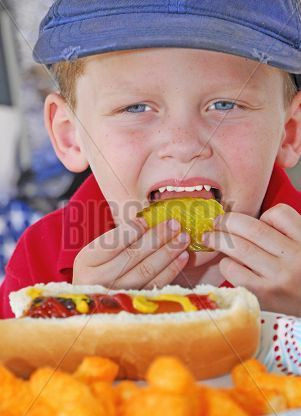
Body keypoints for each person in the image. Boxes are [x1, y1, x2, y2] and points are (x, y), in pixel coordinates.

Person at [1, 0, 301, 319]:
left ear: (289, 131)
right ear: (70, 136)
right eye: (136, 108)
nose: (184, 145)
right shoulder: (39, 259)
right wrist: (76, 323)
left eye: (226, 104)